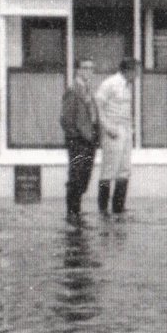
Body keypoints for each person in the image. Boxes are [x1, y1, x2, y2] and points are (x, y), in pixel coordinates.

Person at [94, 58, 139, 215]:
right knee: (109, 170)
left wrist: (130, 130)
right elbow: (98, 105)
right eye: (136, 71)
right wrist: (107, 127)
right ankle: (103, 210)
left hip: (125, 130)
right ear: (129, 70)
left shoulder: (127, 86)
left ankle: (118, 208)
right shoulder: (110, 83)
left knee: (124, 170)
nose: (137, 75)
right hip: (112, 130)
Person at [60, 58, 100, 222]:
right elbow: (66, 119)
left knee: (84, 177)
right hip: (78, 141)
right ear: (78, 70)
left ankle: (77, 211)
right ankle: (72, 213)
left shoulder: (88, 90)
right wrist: (76, 137)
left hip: (89, 141)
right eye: (85, 68)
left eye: (91, 68)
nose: (89, 71)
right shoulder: (73, 90)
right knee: (76, 177)